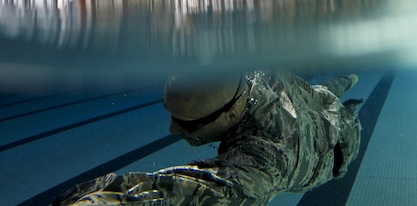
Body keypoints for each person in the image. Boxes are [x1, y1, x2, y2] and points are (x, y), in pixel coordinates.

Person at [53, 70, 362, 205]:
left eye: (188, 125)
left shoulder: (264, 161)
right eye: (170, 114)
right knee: (323, 92)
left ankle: (346, 89)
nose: (172, 130)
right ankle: (346, 81)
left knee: (343, 114)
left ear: (228, 116)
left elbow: (178, 192)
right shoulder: (251, 73)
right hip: (300, 99)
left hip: (333, 146)